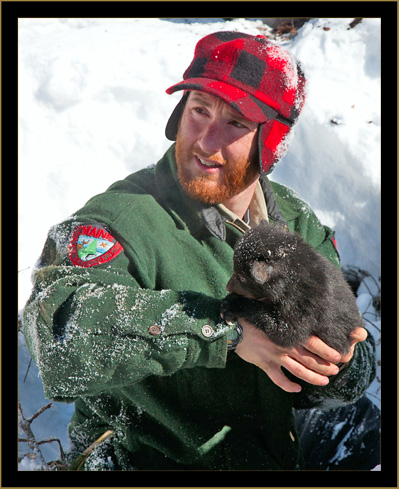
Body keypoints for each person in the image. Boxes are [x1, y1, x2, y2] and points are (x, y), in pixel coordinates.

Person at [22, 31, 378, 471]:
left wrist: (337, 363)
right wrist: (224, 330)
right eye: (199, 110)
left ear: (270, 141)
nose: (207, 141)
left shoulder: (296, 222)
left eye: (235, 124)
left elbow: (355, 361)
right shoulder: (118, 221)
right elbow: (59, 339)